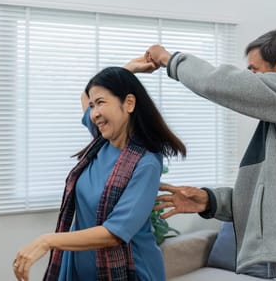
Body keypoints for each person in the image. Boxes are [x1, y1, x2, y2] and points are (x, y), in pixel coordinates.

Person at [128, 28, 276, 281]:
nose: (252, 80)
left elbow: (226, 85)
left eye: (255, 71)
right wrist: (210, 201)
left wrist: (169, 59)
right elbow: (271, 196)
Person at [12, 66, 186, 281]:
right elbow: (85, 96)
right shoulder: (102, 139)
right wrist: (126, 70)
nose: (93, 113)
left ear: (129, 103)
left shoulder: (146, 162)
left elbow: (115, 232)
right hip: (78, 266)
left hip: (132, 271)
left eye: (101, 103)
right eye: (92, 106)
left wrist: (47, 240)